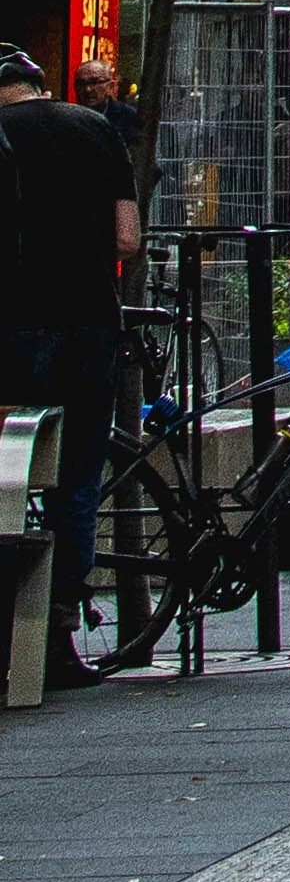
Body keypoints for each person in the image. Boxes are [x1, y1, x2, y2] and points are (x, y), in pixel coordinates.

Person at [0, 36, 138, 686]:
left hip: (16, 327)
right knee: (76, 479)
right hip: (91, 322)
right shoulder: (96, 128)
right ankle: (56, 634)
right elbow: (127, 238)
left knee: (7, 475)